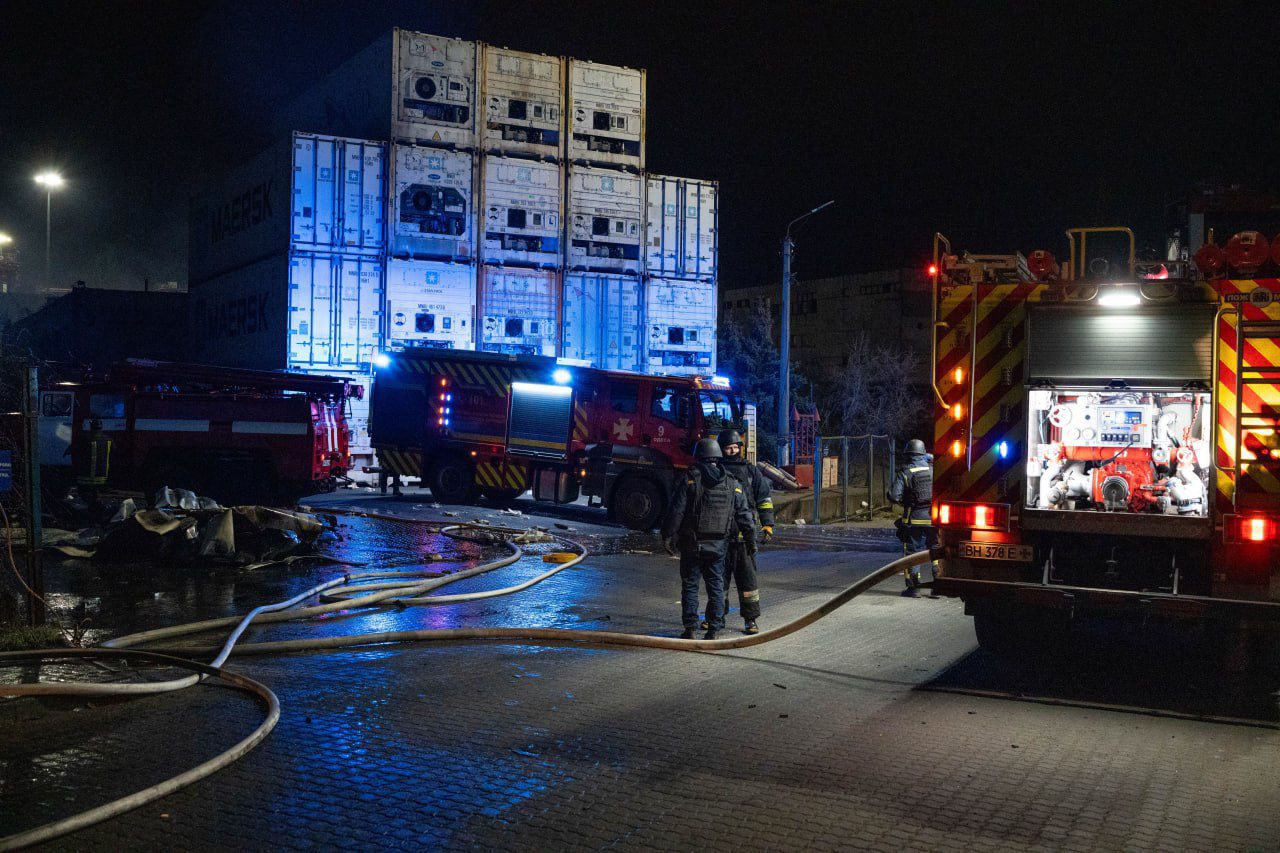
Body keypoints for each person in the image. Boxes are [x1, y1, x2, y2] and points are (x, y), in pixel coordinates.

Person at [662, 437, 758, 640]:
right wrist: (751, 541)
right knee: (716, 586)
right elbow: (744, 516)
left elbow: (676, 511)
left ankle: (690, 629)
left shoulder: (690, 479)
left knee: (690, 586)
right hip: (718, 546)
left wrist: (668, 535)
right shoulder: (731, 482)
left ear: (698, 456)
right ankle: (714, 629)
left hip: (691, 544)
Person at [710, 428, 773, 634]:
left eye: (735, 447)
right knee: (719, 581)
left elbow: (763, 498)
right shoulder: (715, 471)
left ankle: (750, 620)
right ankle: (715, 617)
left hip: (744, 537)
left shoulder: (750, 471)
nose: (732, 451)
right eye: (728, 448)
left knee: (748, 581)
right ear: (721, 449)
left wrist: (767, 524)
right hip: (721, 537)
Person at [887, 438, 936, 595]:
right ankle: (938, 586)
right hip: (934, 518)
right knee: (936, 550)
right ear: (923, 453)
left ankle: (914, 587)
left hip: (913, 519)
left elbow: (894, 496)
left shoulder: (905, 472)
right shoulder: (933, 469)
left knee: (912, 553)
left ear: (908, 455)